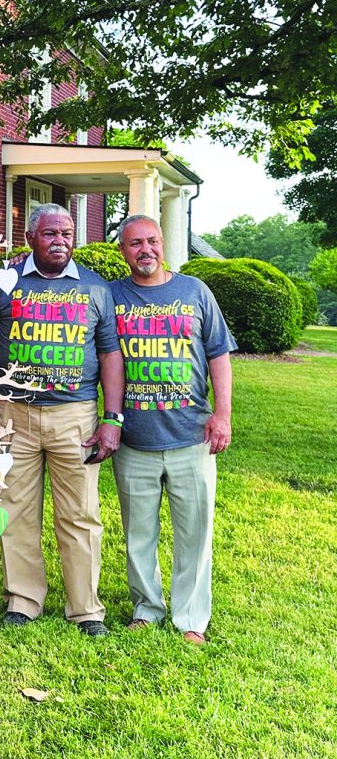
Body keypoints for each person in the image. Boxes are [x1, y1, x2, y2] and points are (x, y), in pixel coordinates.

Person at [0, 203, 124, 635]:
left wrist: (111, 418)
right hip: (12, 413)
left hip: (74, 415)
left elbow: (111, 354)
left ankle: (86, 609)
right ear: (30, 238)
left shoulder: (96, 288)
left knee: (80, 514)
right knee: (14, 508)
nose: (61, 242)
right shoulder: (2, 284)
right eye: (51, 234)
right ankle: (23, 599)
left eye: (67, 234)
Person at [111, 214, 236, 645]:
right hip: (134, 439)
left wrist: (223, 415)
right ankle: (146, 608)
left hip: (192, 437)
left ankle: (191, 618)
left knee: (194, 533)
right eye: (134, 244)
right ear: (123, 251)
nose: (145, 250)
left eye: (151, 241)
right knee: (138, 534)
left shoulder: (195, 292)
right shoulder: (111, 297)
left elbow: (219, 355)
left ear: (163, 244)